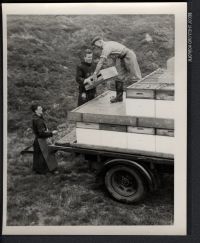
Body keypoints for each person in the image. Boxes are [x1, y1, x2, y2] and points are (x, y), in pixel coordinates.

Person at [90, 36, 142, 103]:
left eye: (95, 44)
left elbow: (101, 62)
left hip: (128, 55)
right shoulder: (108, 45)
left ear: (100, 42)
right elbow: (115, 56)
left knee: (135, 77)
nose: (96, 47)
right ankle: (119, 97)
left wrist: (95, 74)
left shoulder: (106, 47)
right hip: (120, 58)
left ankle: (140, 97)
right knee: (119, 78)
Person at [31, 104, 58, 175]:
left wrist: (48, 131)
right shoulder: (38, 120)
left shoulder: (36, 118)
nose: (42, 109)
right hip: (41, 140)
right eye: (40, 108)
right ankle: (50, 171)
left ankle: (39, 171)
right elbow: (41, 134)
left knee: (39, 156)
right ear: (36, 111)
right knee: (48, 154)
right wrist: (52, 133)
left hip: (38, 140)